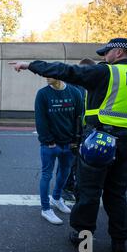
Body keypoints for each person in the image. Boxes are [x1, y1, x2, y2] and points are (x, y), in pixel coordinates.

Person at [10, 38, 127, 252]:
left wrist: (30, 65)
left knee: (88, 193)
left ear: (117, 52)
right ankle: (119, 243)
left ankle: (83, 239)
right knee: (116, 195)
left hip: (99, 141)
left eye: (106, 53)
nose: (103, 57)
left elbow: (66, 71)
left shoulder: (107, 72)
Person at [35, 77, 82, 225]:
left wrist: (76, 140)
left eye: (50, 74)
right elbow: (40, 120)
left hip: (69, 143)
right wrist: (49, 141)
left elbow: (79, 118)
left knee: (65, 171)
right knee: (46, 175)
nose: (46, 77)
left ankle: (56, 198)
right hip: (50, 145)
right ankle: (45, 208)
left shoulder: (74, 92)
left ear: (60, 75)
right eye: (45, 74)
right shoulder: (42, 94)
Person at [61, 58, 96, 202]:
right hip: (72, 131)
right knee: (70, 161)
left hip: (85, 130)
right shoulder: (71, 86)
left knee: (79, 162)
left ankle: (74, 186)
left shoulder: (88, 85)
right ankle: (65, 189)